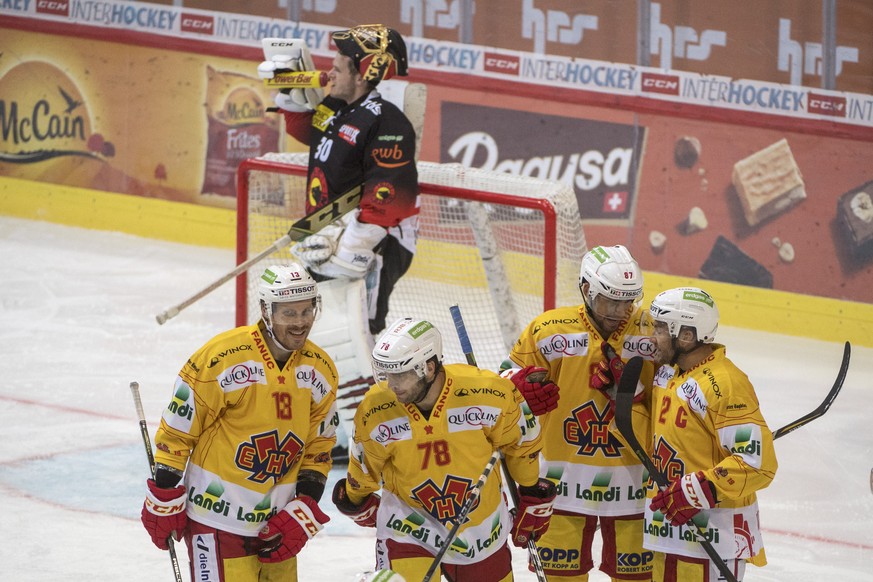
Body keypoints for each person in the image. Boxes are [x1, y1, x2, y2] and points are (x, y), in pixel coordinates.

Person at [140, 264, 340, 582]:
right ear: (265, 309)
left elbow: (320, 445)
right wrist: (164, 491)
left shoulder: (321, 370)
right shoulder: (223, 357)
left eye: (307, 311)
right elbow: (179, 428)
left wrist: (304, 506)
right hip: (215, 520)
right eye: (290, 313)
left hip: (276, 527)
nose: (301, 323)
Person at [330, 317, 556, 581]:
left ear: (428, 367)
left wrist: (530, 489)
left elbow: (519, 442)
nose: (391, 385)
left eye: (399, 374)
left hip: (483, 529)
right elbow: (364, 467)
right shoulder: (376, 408)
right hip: (409, 527)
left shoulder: (488, 393)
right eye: (386, 373)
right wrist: (357, 499)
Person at [501, 244, 656, 581]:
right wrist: (519, 392)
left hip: (635, 486)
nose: (620, 310)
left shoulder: (653, 331)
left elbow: (676, 399)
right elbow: (501, 387)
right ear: (586, 289)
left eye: (628, 301)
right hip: (560, 484)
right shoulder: (548, 330)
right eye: (611, 300)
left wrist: (637, 397)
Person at [258, 24, 419, 337]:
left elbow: (389, 193)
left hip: (377, 242)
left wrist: (351, 250)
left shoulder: (386, 119)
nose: (328, 74)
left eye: (336, 69)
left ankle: (375, 385)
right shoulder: (336, 108)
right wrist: (291, 96)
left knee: (360, 330)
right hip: (330, 234)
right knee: (323, 328)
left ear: (361, 75)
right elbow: (310, 133)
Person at [644, 287, 777, 581]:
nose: (653, 335)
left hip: (712, 538)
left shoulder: (726, 384)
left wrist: (701, 487)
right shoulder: (668, 373)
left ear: (687, 336)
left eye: (661, 328)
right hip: (667, 533)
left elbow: (758, 465)